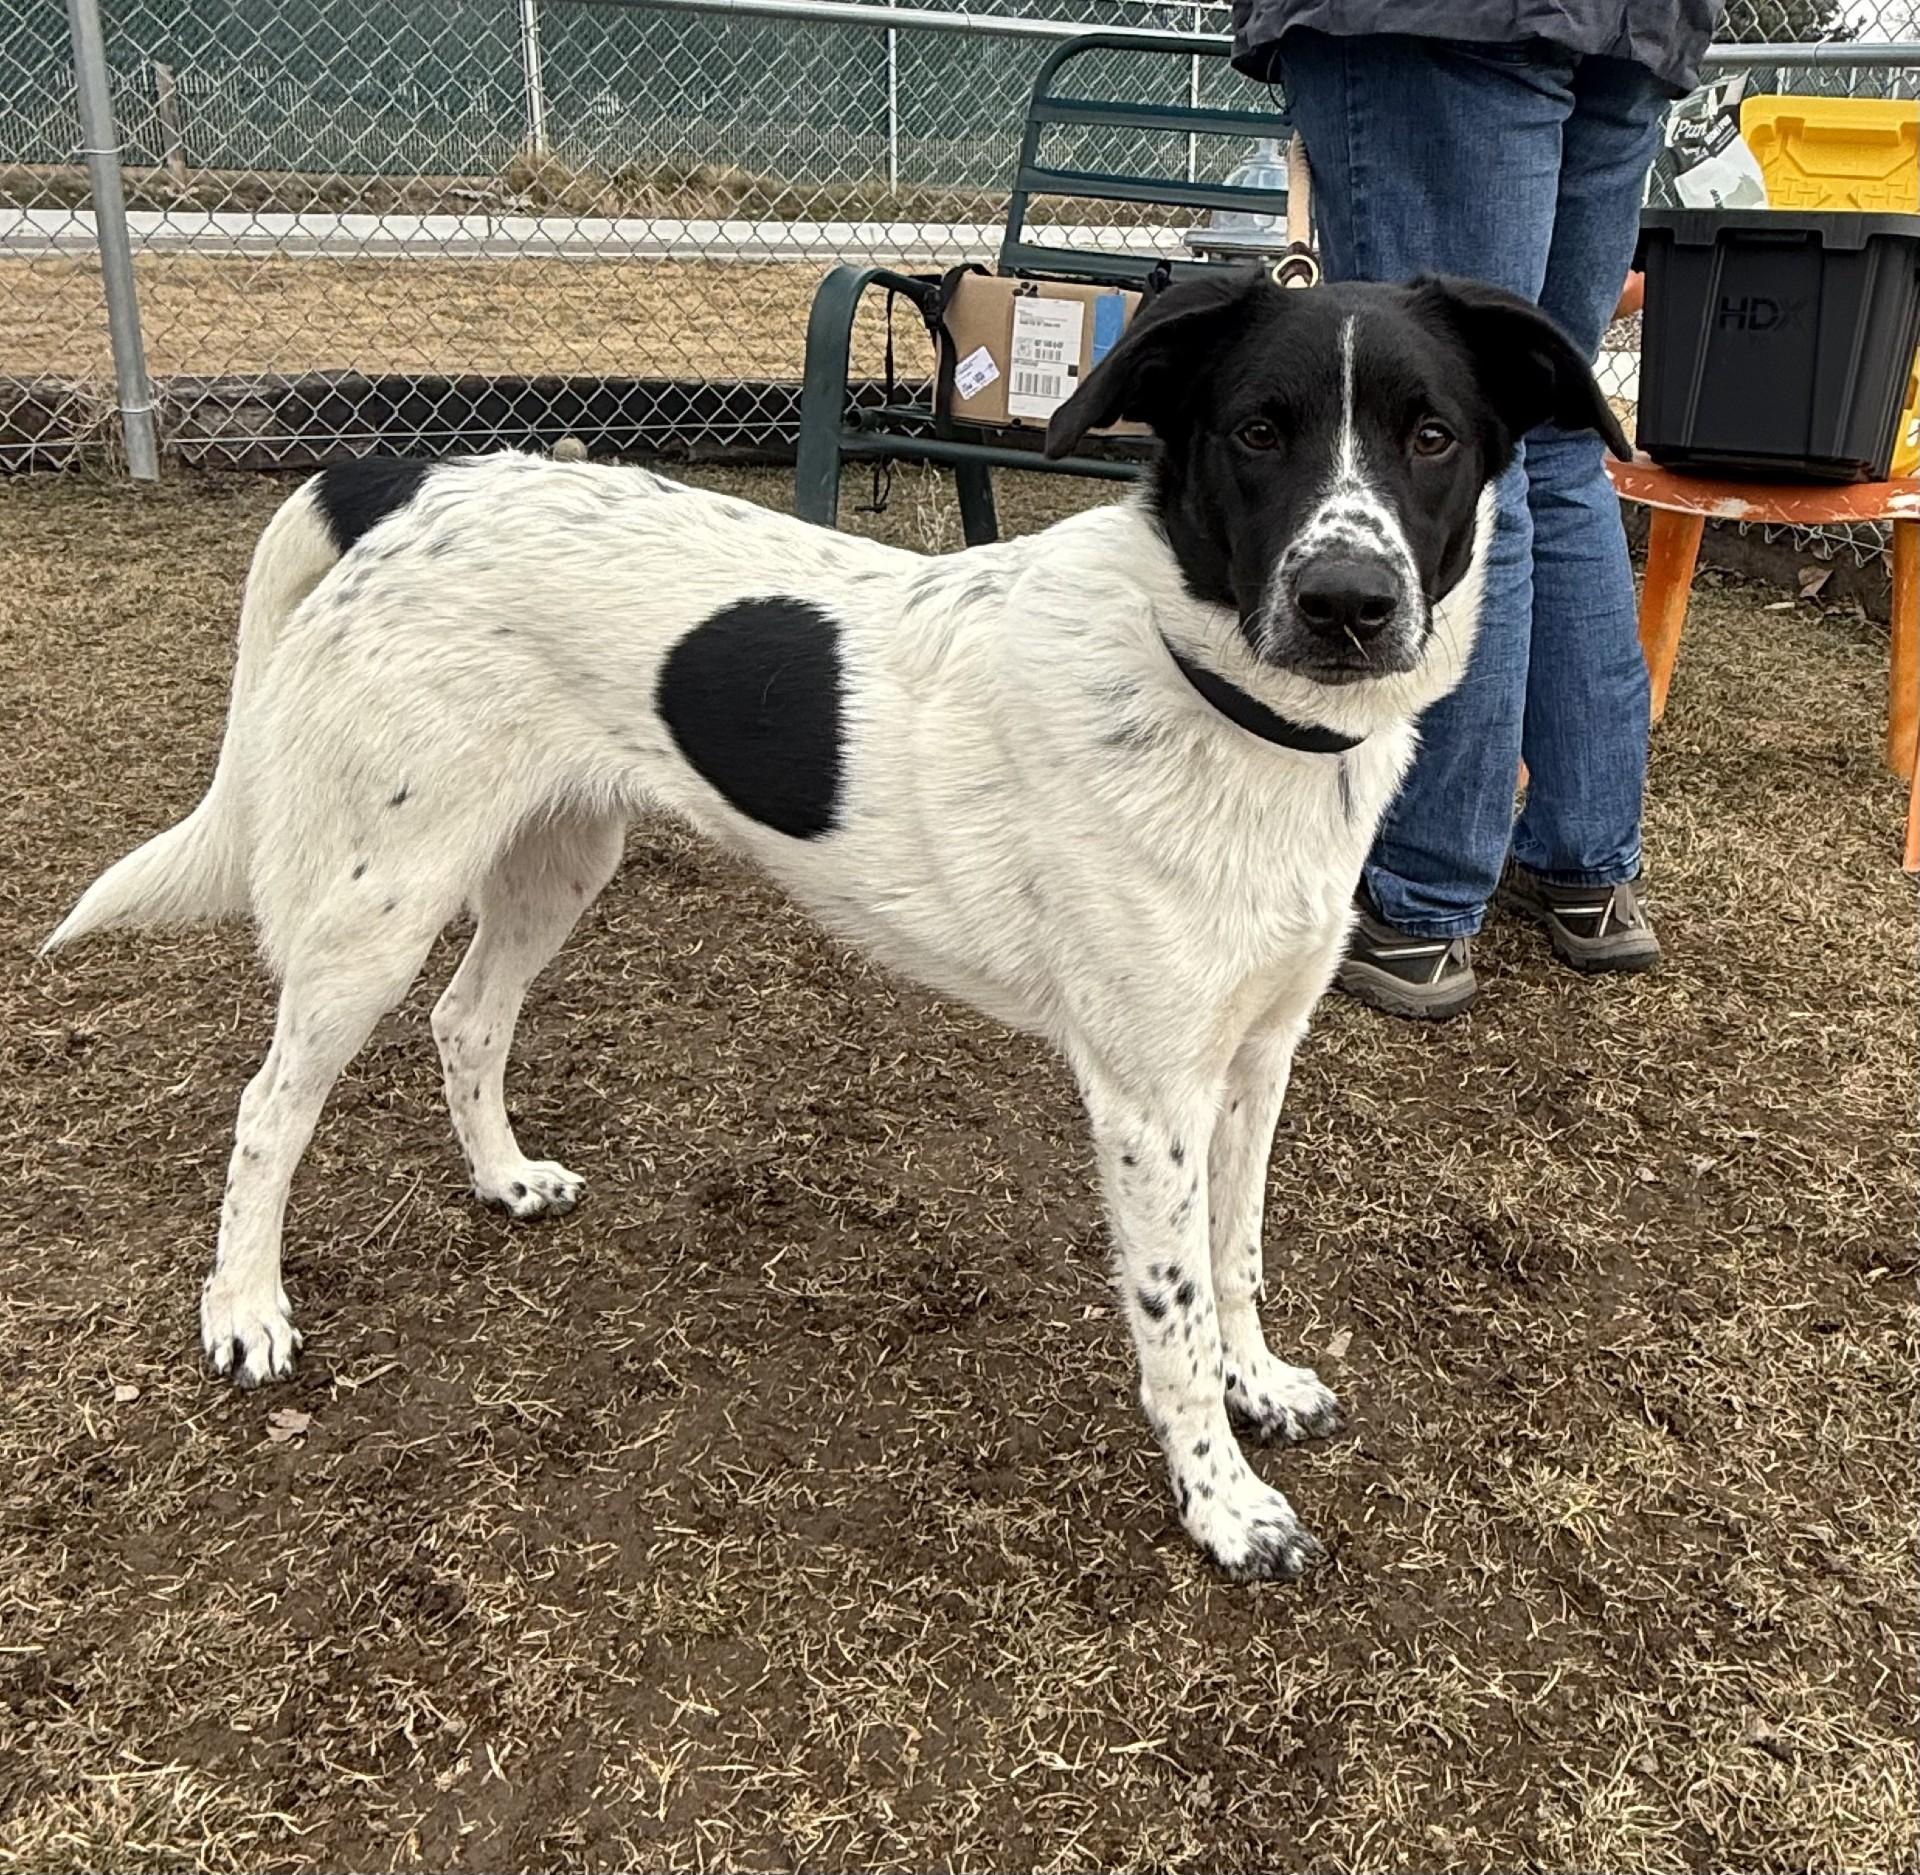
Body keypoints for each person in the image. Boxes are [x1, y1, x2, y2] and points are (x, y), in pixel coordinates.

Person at [1231, 2, 1722, 1019]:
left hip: (1436, 21)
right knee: (1551, 440)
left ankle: (1427, 898)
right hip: (1634, 26)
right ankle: (1591, 873)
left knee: (1449, 461)